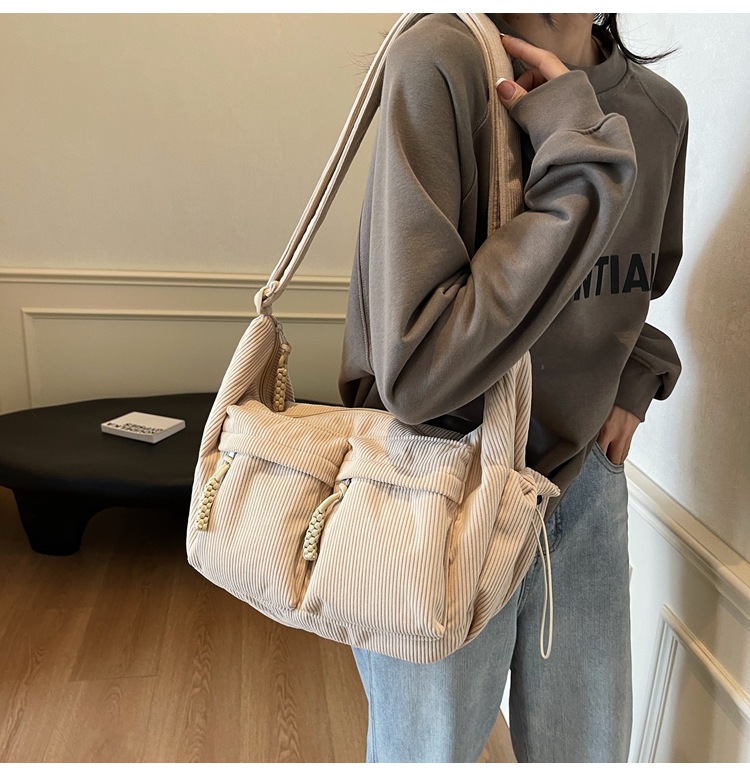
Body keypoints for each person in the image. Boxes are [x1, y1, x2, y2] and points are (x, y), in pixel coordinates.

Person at [338, 13, 688, 763]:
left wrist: (638, 373)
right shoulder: (438, 64)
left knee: (587, 755)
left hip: (583, 484)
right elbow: (417, 374)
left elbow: (634, 285)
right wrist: (581, 163)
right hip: (439, 488)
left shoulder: (658, 110)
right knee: (425, 757)